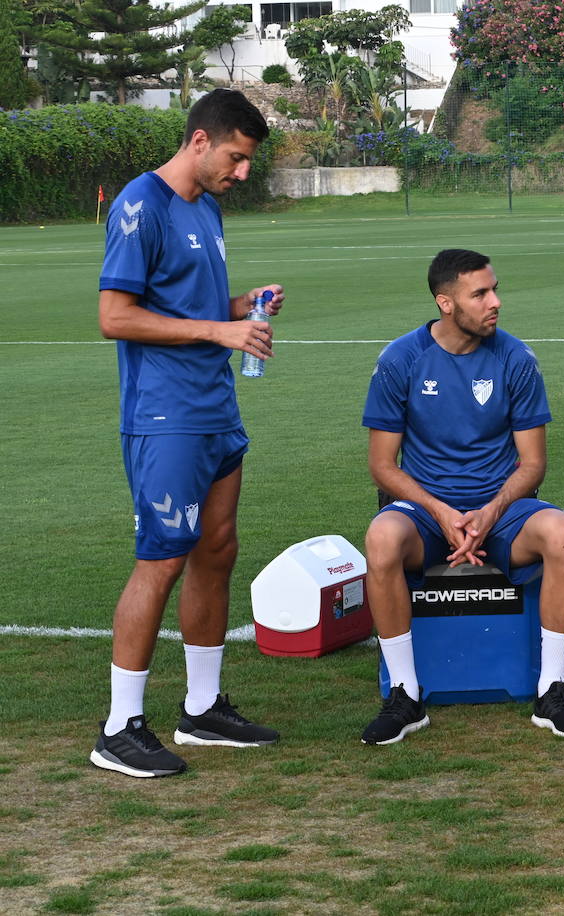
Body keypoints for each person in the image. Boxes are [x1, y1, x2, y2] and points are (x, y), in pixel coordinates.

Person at [92, 89, 284, 778]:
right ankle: (119, 728)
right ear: (200, 140)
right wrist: (219, 328)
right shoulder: (140, 205)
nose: (240, 173)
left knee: (217, 551)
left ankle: (201, 709)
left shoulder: (207, 208)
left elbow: (190, 305)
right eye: (235, 158)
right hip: (164, 416)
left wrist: (243, 306)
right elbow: (117, 316)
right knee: (163, 557)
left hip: (216, 409)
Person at [358, 248, 564, 745]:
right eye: (480, 293)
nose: (495, 302)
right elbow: (382, 466)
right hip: (426, 517)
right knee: (381, 538)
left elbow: (533, 464)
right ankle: (404, 694)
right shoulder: (401, 359)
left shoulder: (515, 358)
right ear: (446, 302)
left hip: (500, 515)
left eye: (495, 289)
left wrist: (488, 513)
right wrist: (442, 512)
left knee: (562, 532)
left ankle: (552, 690)